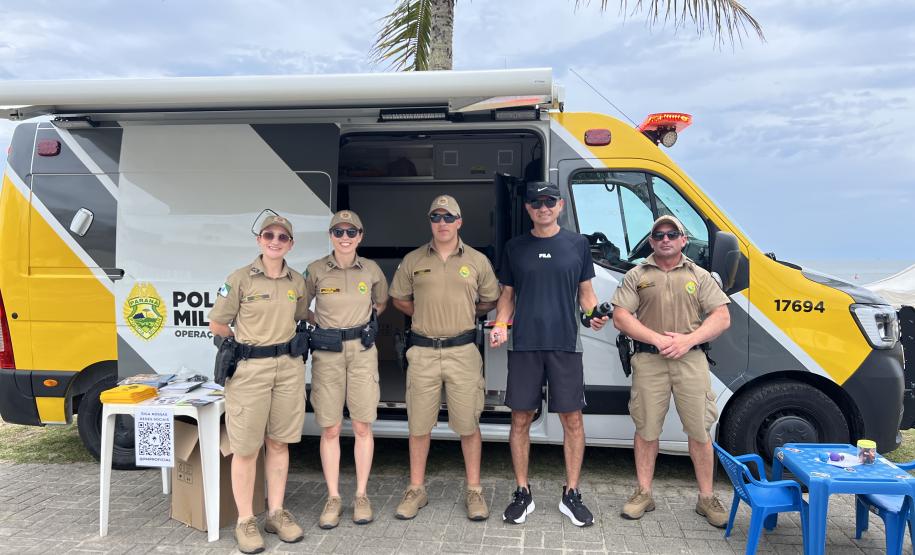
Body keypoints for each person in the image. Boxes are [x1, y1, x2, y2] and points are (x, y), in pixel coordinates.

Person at [490, 182, 609, 527]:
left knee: (572, 420)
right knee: (520, 420)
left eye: (549, 201)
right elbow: (507, 295)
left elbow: (586, 294)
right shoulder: (515, 247)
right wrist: (500, 324)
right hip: (524, 344)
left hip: (565, 345)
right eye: (536, 202)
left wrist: (592, 316)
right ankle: (522, 492)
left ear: (560, 206)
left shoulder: (577, 245)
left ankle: (571, 494)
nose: (543, 207)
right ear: (527, 208)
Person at [610, 215, 731, 528]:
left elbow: (721, 317)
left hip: (690, 360)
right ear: (651, 241)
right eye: (659, 235)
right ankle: (644, 493)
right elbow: (621, 317)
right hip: (649, 360)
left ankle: (706, 498)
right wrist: (657, 339)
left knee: (700, 431)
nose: (665, 239)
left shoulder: (699, 275)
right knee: (646, 429)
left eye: (672, 234)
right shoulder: (637, 275)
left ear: (683, 239)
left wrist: (688, 340)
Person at [389, 194, 500, 521]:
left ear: (459, 222)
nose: (442, 223)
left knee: (468, 424)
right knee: (419, 425)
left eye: (448, 217)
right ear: (430, 222)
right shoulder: (413, 260)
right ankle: (416, 489)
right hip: (422, 351)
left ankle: (475, 490)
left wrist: (463, 313)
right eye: (436, 217)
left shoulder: (477, 261)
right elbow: (399, 299)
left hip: (462, 352)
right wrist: (425, 312)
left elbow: (489, 300)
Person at [208, 214, 309, 554]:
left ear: (290, 244)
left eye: (283, 236)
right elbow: (218, 324)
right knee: (247, 448)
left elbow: (300, 317)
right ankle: (246, 520)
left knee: (279, 443)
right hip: (250, 371)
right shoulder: (239, 280)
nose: (275, 241)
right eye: (269, 235)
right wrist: (241, 345)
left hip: (288, 369)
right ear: (259, 239)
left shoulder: (298, 281)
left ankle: (276, 513)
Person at [303, 210, 389, 529]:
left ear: (360, 237)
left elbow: (380, 303)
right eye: (338, 232)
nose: (344, 238)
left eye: (351, 233)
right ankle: (334, 497)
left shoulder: (372, 270)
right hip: (328, 351)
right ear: (330, 236)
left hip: (362, 351)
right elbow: (302, 307)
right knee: (330, 427)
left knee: (363, 425)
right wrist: (322, 325)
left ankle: (362, 496)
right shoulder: (314, 270)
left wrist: (366, 322)